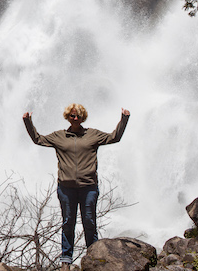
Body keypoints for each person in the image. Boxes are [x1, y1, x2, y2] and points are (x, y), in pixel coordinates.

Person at [22, 104, 130, 271]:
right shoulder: (59, 136)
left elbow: (114, 137)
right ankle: (66, 260)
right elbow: (38, 139)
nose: (75, 118)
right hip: (66, 188)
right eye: (72, 115)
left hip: (88, 187)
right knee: (67, 222)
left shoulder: (93, 134)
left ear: (83, 117)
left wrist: (124, 119)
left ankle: (94, 256)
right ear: (68, 117)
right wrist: (28, 121)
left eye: (78, 115)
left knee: (89, 221)